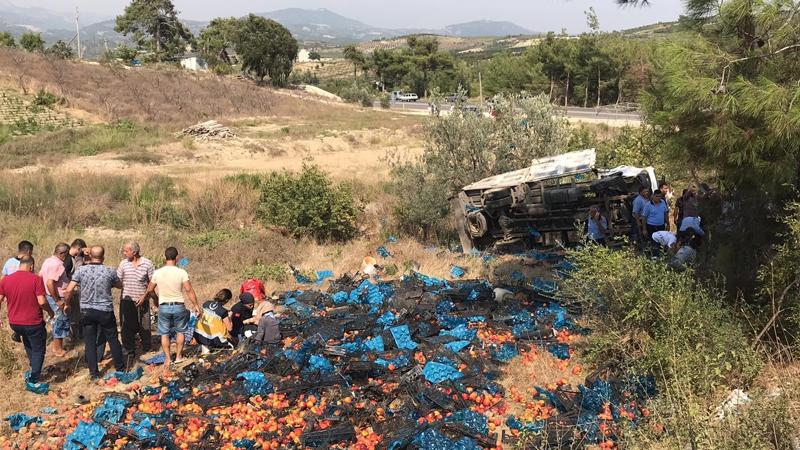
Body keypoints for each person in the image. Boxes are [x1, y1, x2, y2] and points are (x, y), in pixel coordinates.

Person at [63, 246, 126, 380]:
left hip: (87, 311)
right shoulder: (109, 271)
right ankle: (120, 369)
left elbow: (68, 290)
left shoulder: (81, 270)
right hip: (105, 311)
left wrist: (67, 304)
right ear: (103, 257)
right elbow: (120, 285)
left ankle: (94, 374)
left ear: (90, 256)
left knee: (90, 342)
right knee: (113, 339)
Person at [0, 256, 54, 392]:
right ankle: (34, 381)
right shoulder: (36, 279)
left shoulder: (6, 280)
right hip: (33, 322)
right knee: (38, 349)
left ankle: (33, 370)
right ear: (31, 266)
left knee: (29, 345)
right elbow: (41, 301)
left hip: (15, 323)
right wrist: (50, 311)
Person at [145, 247, 201, 370]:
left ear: (165, 258)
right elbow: (188, 290)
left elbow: (149, 289)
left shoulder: (157, 272)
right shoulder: (181, 272)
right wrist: (195, 305)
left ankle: (168, 359)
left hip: (164, 306)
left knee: (164, 333)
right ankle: (179, 356)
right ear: (177, 258)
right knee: (180, 331)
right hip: (178, 305)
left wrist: (155, 298)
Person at [117, 242, 155, 359]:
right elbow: (118, 280)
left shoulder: (147, 264)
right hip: (127, 300)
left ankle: (146, 346)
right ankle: (129, 349)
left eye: (126, 251)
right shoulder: (123, 264)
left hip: (142, 299)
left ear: (134, 252)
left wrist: (145, 296)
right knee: (126, 326)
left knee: (145, 324)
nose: (124, 253)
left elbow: (152, 283)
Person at [39, 243, 71, 357]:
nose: (68, 257)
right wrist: (57, 299)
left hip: (50, 296)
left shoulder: (48, 261)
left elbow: (40, 277)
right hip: (56, 297)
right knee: (60, 321)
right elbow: (49, 282)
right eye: (67, 254)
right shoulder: (57, 265)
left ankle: (57, 346)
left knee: (57, 320)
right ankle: (58, 349)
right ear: (62, 253)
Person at [194, 289, 234, 354]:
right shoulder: (223, 311)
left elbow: (213, 311)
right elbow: (230, 328)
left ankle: (205, 351)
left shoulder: (206, 303)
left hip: (198, 335)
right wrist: (230, 317)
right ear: (226, 300)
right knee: (231, 347)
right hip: (212, 339)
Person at [65, 238, 88, 340]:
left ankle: (74, 335)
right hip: (69, 290)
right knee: (73, 314)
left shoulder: (67, 256)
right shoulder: (69, 260)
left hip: (70, 289)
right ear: (78, 249)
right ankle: (72, 336)